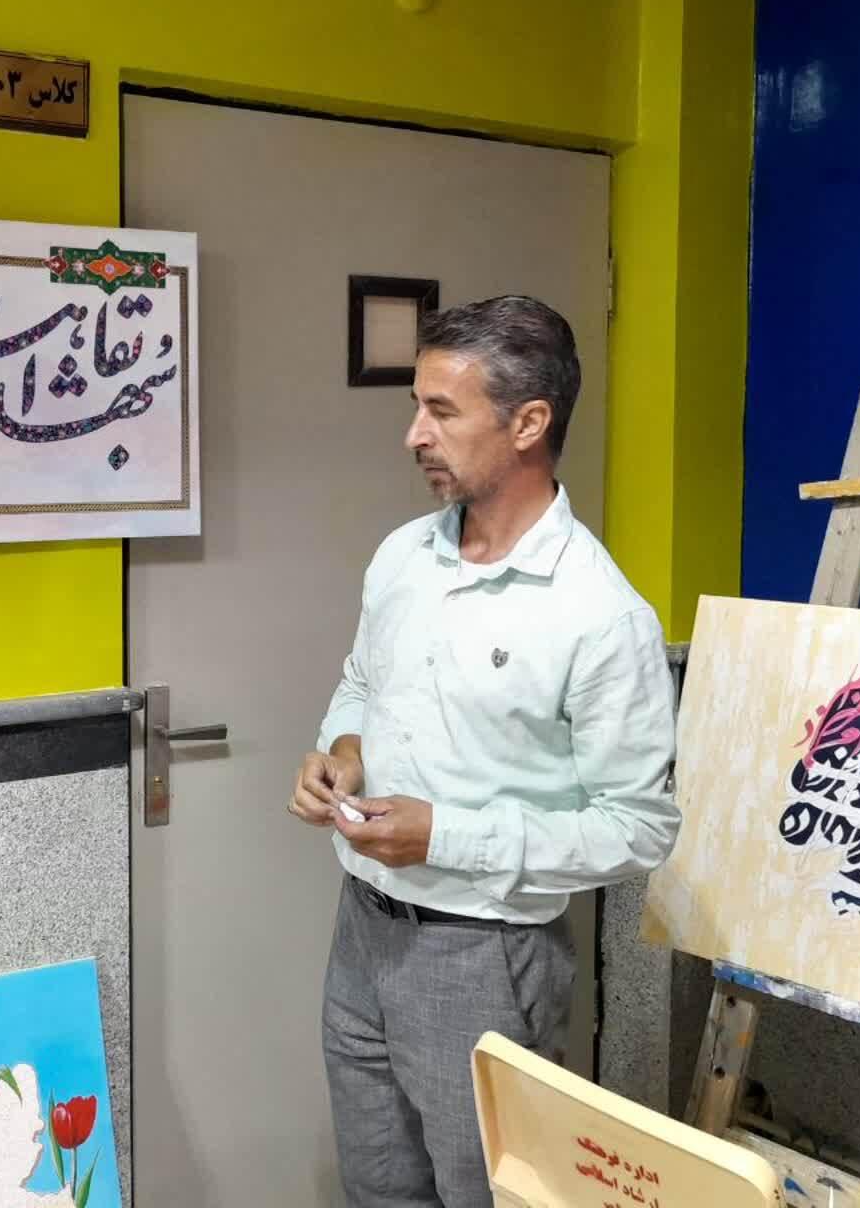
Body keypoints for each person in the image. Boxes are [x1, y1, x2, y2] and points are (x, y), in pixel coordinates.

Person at [288, 295, 681, 1208]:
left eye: (441, 410)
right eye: (415, 407)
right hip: (362, 928)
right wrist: (341, 751)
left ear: (528, 423)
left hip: (483, 953)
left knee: (485, 1196)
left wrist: (444, 837)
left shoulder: (598, 614)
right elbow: (361, 681)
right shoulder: (401, 557)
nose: (413, 435)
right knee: (378, 1191)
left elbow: (637, 828)